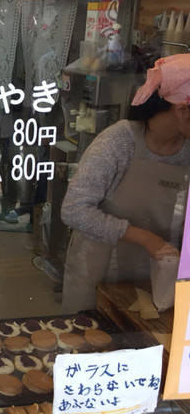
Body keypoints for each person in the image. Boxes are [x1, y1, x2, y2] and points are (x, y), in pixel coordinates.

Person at [60, 53, 190, 313]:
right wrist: (146, 239)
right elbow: (74, 210)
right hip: (98, 270)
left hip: (157, 278)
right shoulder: (119, 142)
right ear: (182, 110)